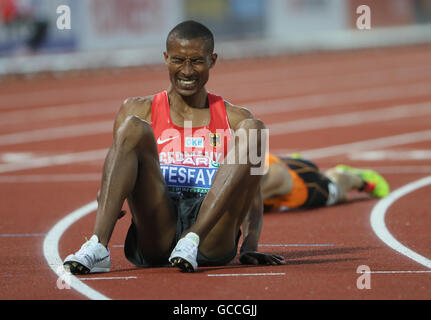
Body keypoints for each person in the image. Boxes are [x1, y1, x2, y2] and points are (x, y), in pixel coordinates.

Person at [63, 20, 284, 275]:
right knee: (133, 128)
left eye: (197, 61)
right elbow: (113, 175)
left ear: (212, 60)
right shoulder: (136, 109)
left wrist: (249, 245)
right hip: (158, 227)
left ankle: (192, 238)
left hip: (211, 236)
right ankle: (97, 246)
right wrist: (108, 200)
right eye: (178, 60)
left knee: (254, 128)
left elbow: (252, 193)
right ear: (166, 58)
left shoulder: (235, 118)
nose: (187, 71)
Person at [262, 153, 390, 212]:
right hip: (281, 165)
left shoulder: (273, 178)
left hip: (305, 185)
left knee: (337, 188)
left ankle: (357, 178)